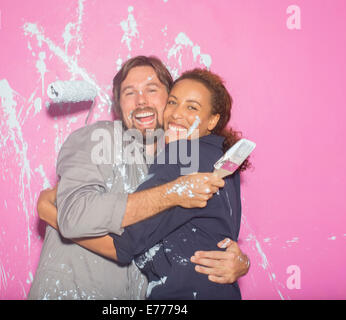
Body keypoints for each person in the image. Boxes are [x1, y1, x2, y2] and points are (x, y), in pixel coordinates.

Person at [28, 56, 250, 300]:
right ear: (119, 105)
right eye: (129, 92)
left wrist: (241, 261)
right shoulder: (99, 138)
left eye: (152, 90)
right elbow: (76, 216)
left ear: (167, 97)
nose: (141, 100)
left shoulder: (185, 156)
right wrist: (173, 192)